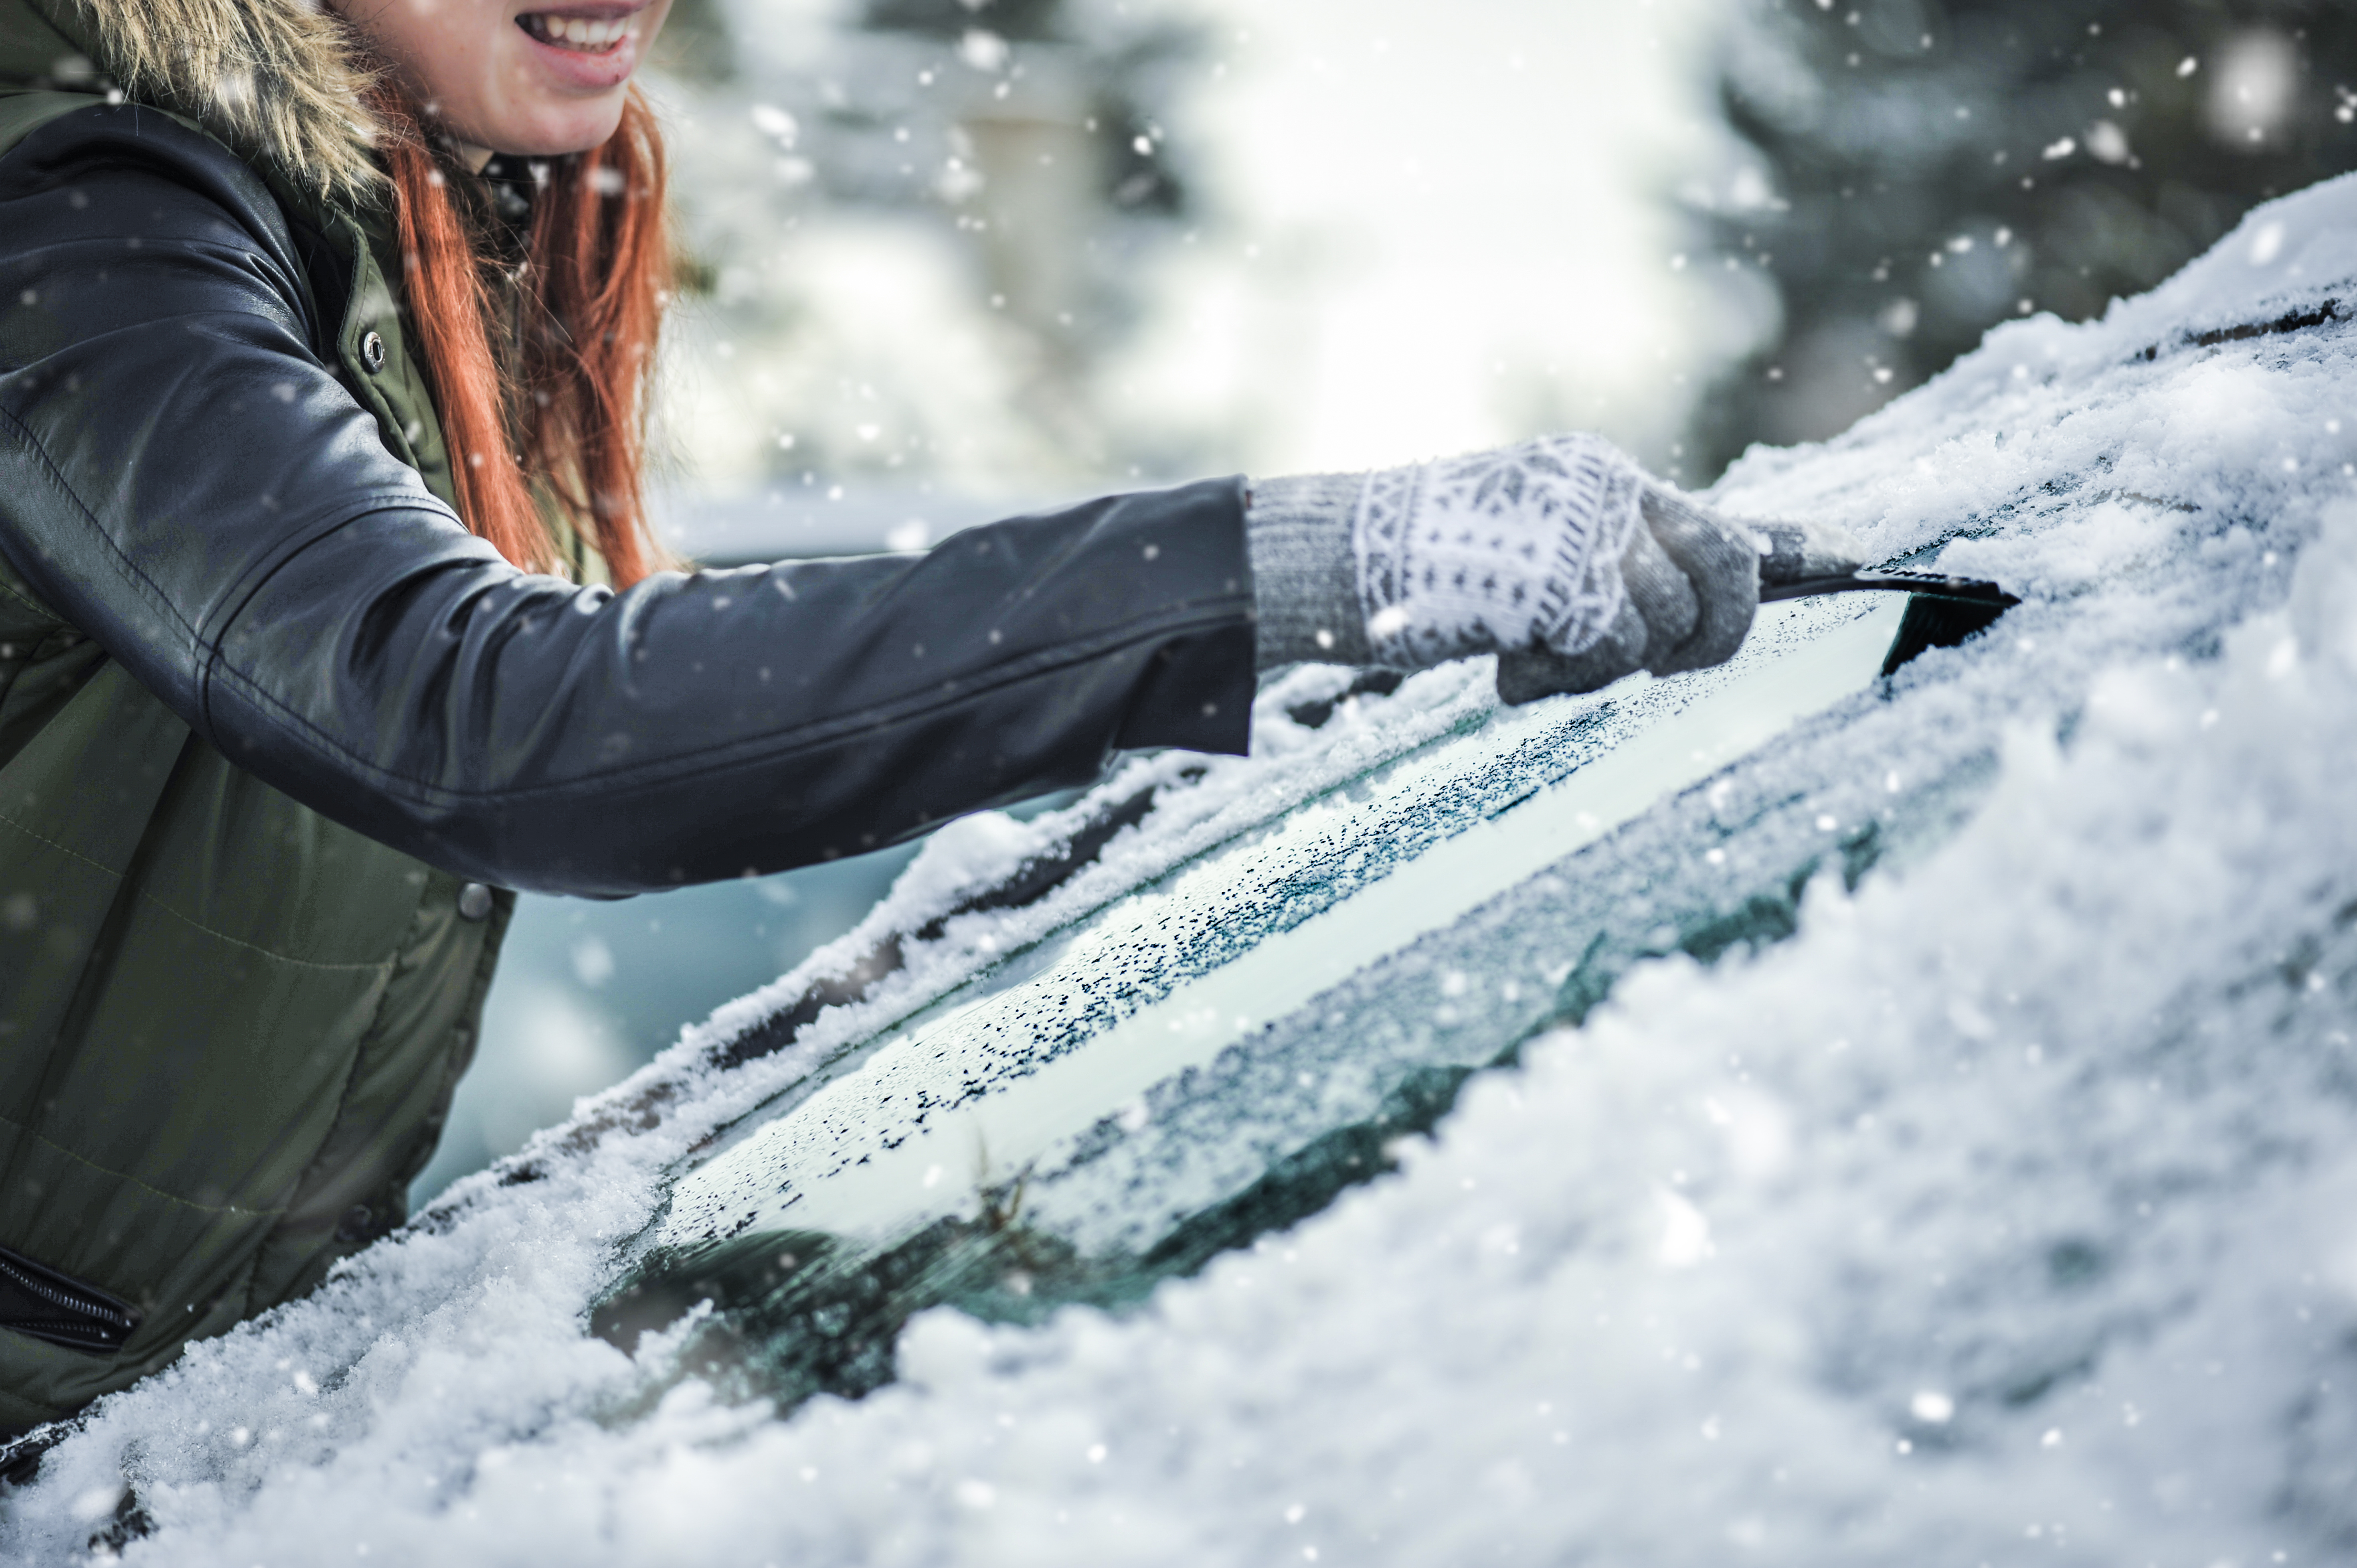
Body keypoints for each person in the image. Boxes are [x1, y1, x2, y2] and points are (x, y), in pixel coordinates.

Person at [0, 0, 1856, 1437]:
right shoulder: (83, 224)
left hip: (164, 1437)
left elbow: (638, 677)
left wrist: (1257, 706)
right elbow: (473, 714)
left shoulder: (405, 225)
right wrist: (1276, 568)